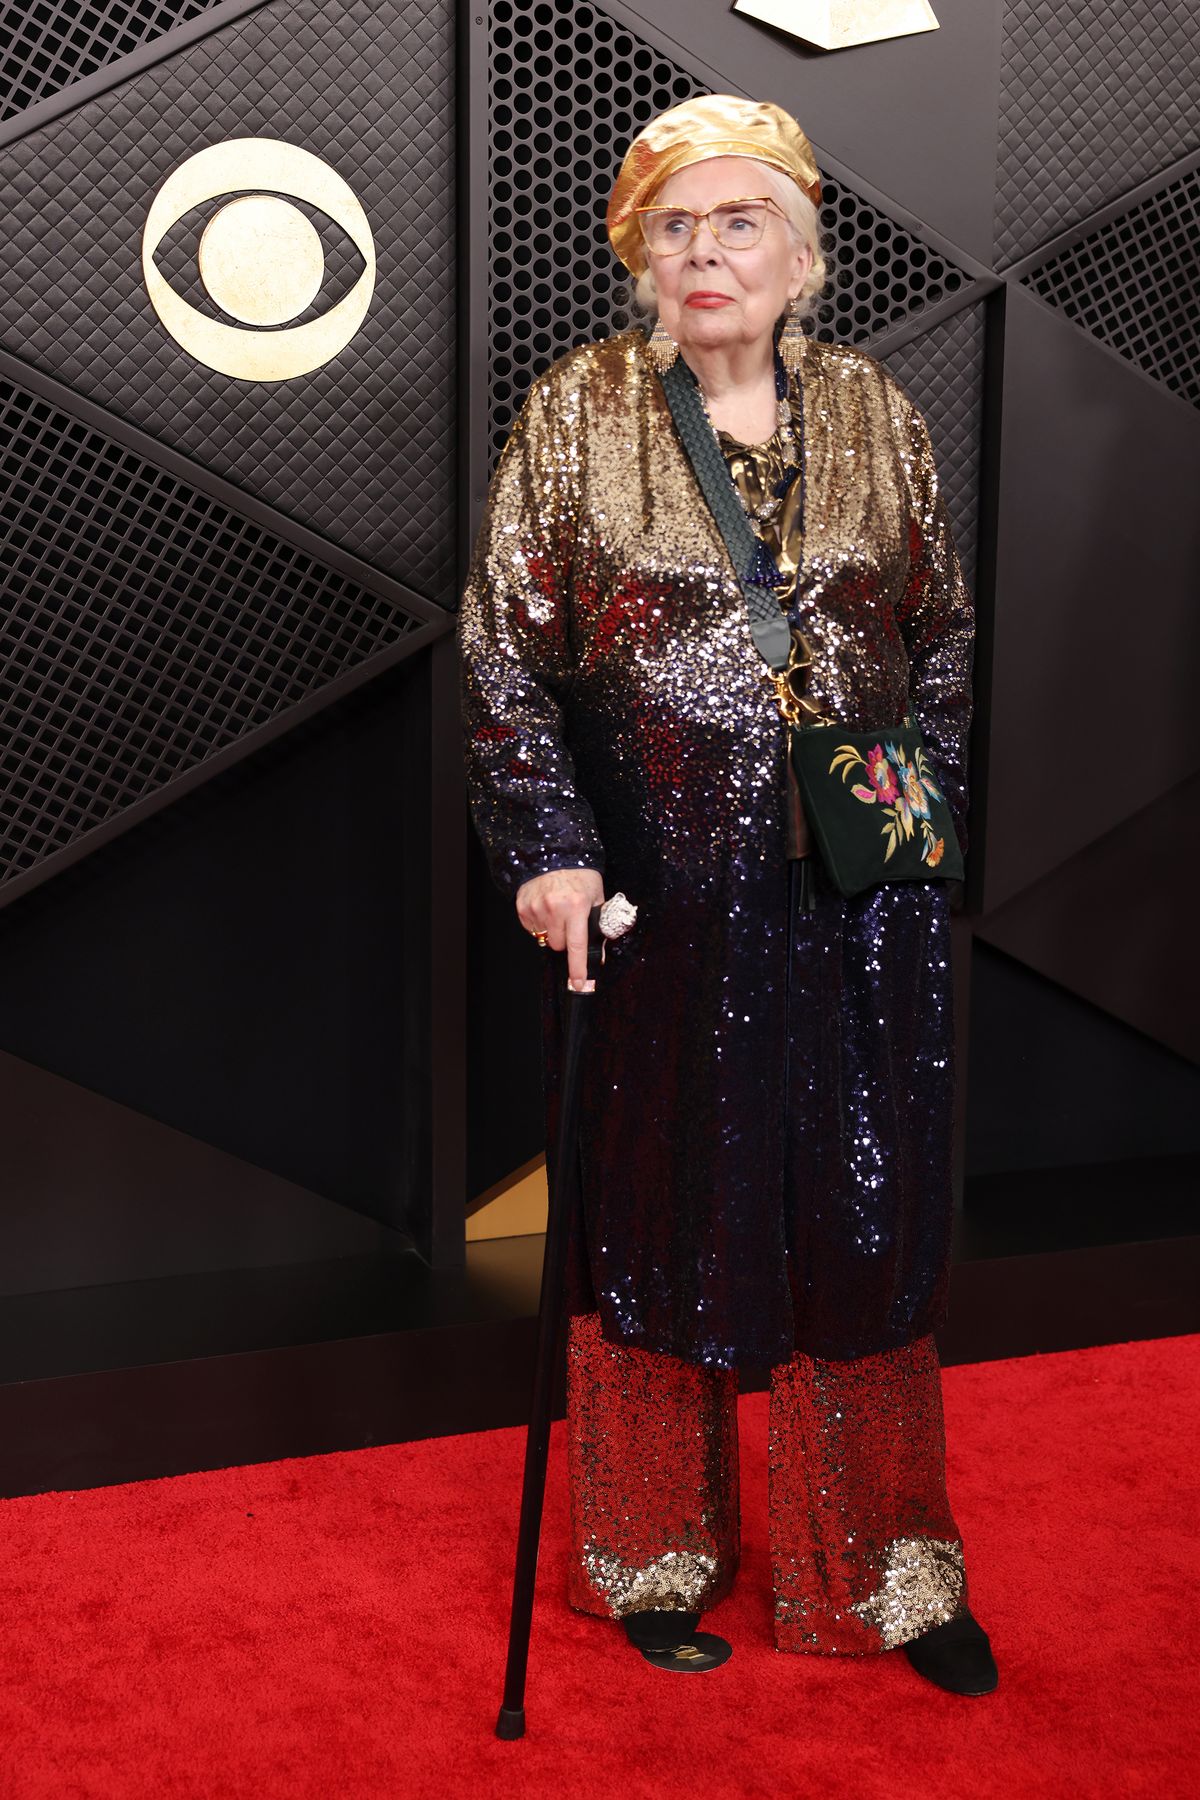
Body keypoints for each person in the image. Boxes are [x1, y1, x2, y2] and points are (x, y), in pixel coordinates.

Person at [457, 94, 996, 1696]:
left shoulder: (882, 412)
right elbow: (503, 655)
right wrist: (549, 846)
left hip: (861, 913)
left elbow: (944, 631)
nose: (709, 253)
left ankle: (884, 1578)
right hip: (665, 914)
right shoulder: (580, 412)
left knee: (867, 1221)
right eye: (676, 226)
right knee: (658, 1218)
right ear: (639, 255)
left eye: (741, 220)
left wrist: (918, 806)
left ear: (800, 250)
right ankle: (650, 1554)